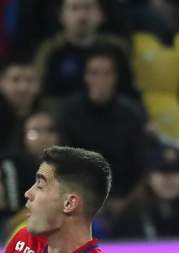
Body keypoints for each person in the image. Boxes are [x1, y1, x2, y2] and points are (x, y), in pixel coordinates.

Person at [57, 47, 146, 203]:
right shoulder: (69, 112)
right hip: (80, 197)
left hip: (124, 197)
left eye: (107, 73)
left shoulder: (131, 113)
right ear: (86, 77)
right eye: (94, 73)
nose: (101, 79)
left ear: (115, 77)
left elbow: (140, 161)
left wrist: (127, 200)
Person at [34, 0, 136, 103]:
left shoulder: (117, 49)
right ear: (61, 17)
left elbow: (129, 92)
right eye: (75, 8)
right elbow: (42, 93)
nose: (82, 15)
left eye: (88, 8)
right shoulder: (50, 51)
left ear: (102, 15)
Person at [110, 140, 179, 240]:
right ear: (148, 178)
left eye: (175, 172)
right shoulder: (130, 217)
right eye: (162, 172)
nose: (169, 179)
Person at [0, 59, 42, 157]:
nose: (23, 88)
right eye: (15, 80)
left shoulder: (48, 119)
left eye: (29, 80)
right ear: (0, 83)